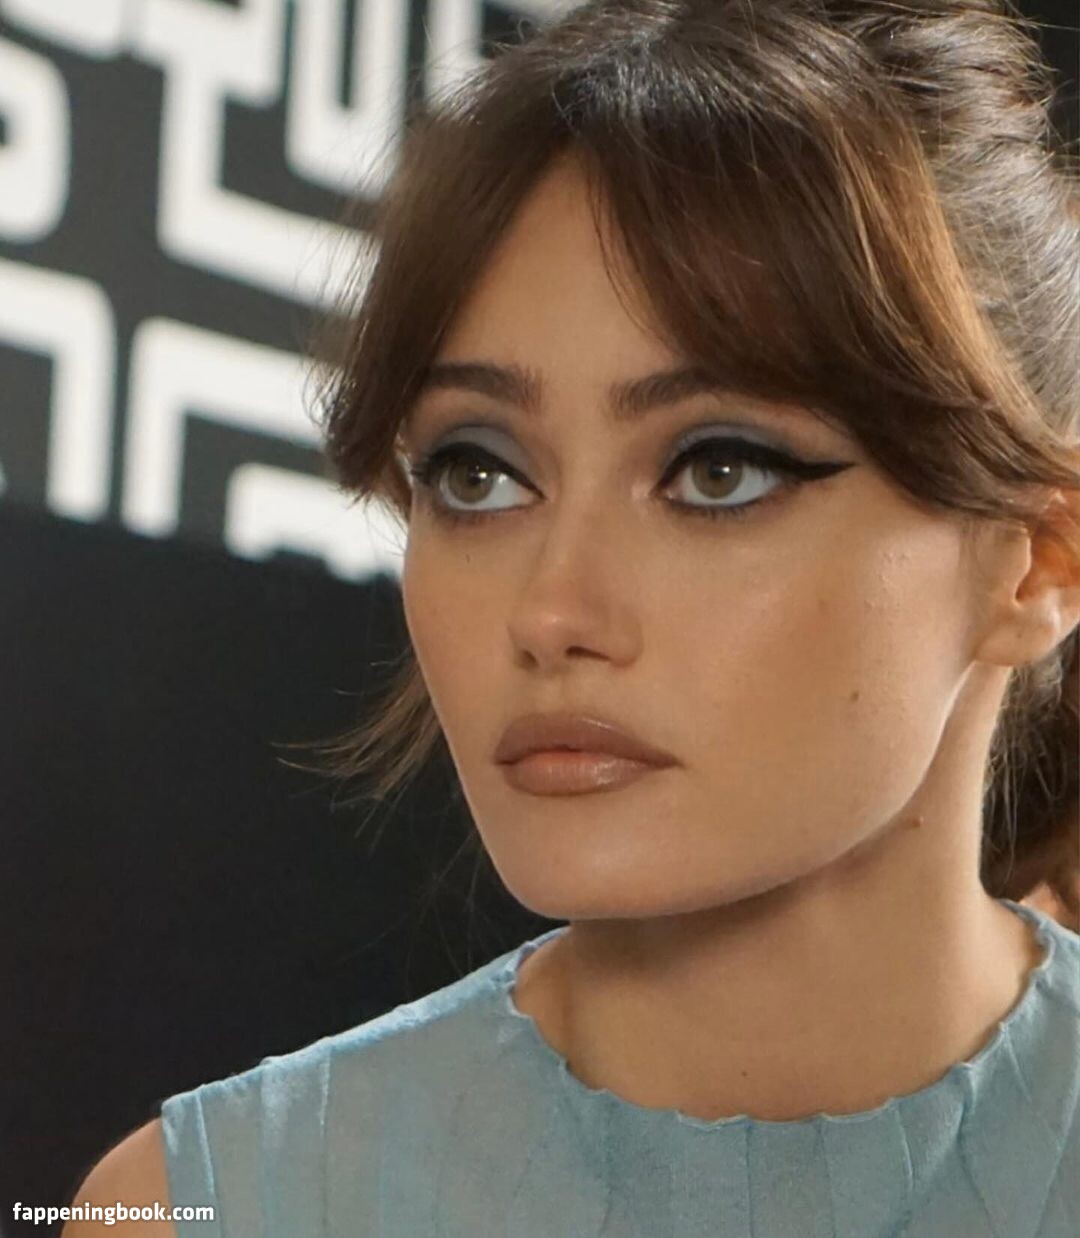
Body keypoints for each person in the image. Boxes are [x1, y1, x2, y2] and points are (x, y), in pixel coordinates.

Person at [64, 0, 1079, 1234]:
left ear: (1039, 562)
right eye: (479, 472)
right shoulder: (188, 1209)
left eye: (718, 469)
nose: (550, 610)